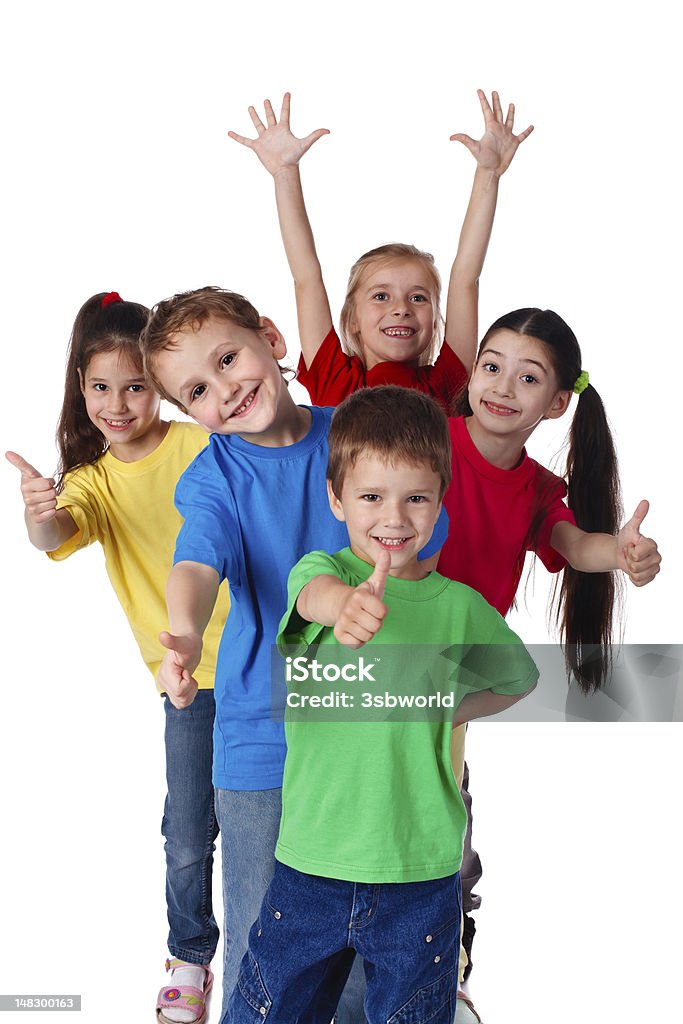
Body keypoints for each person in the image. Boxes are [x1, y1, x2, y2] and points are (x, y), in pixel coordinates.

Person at [139, 286, 446, 1023]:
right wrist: (181, 631)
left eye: (228, 357)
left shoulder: (358, 434)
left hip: (364, 733)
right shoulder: (213, 477)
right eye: (198, 390)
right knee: (262, 950)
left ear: (270, 338)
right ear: (190, 413)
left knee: (365, 949)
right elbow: (195, 561)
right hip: (262, 738)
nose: (226, 388)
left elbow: (423, 532)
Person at [226, 385, 539, 1024]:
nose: (393, 519)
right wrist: (341, 606)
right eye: (371, 497)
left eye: (415, 498)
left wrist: (445, 707)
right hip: (311, 860)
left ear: (439, 501)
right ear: (337, 499)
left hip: (419, 873)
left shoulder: (460, 608)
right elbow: (309, 596)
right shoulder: (321, 573)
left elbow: (519, 679)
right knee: (265, 1012)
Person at [6, 292, 230, 1024]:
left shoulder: (199, 444)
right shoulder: (91, 481)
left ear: (161, 384)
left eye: (135, 385)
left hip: (262, 666)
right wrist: (39, 512)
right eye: (100, 387)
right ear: (80, 387)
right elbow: (59, 533)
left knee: (277, 821)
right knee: (188, 835)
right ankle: (188, 957)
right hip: (185, 683)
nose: (118, 403)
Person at [228, 89, 533, 408]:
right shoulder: (334, 376)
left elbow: (466, 277)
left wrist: (489, 173)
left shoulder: (445, 382)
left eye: (418, 297)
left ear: (434, 320)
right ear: (353, 319)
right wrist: (284, 172)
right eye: (380, 296)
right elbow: (306, 276)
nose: (401, 308)